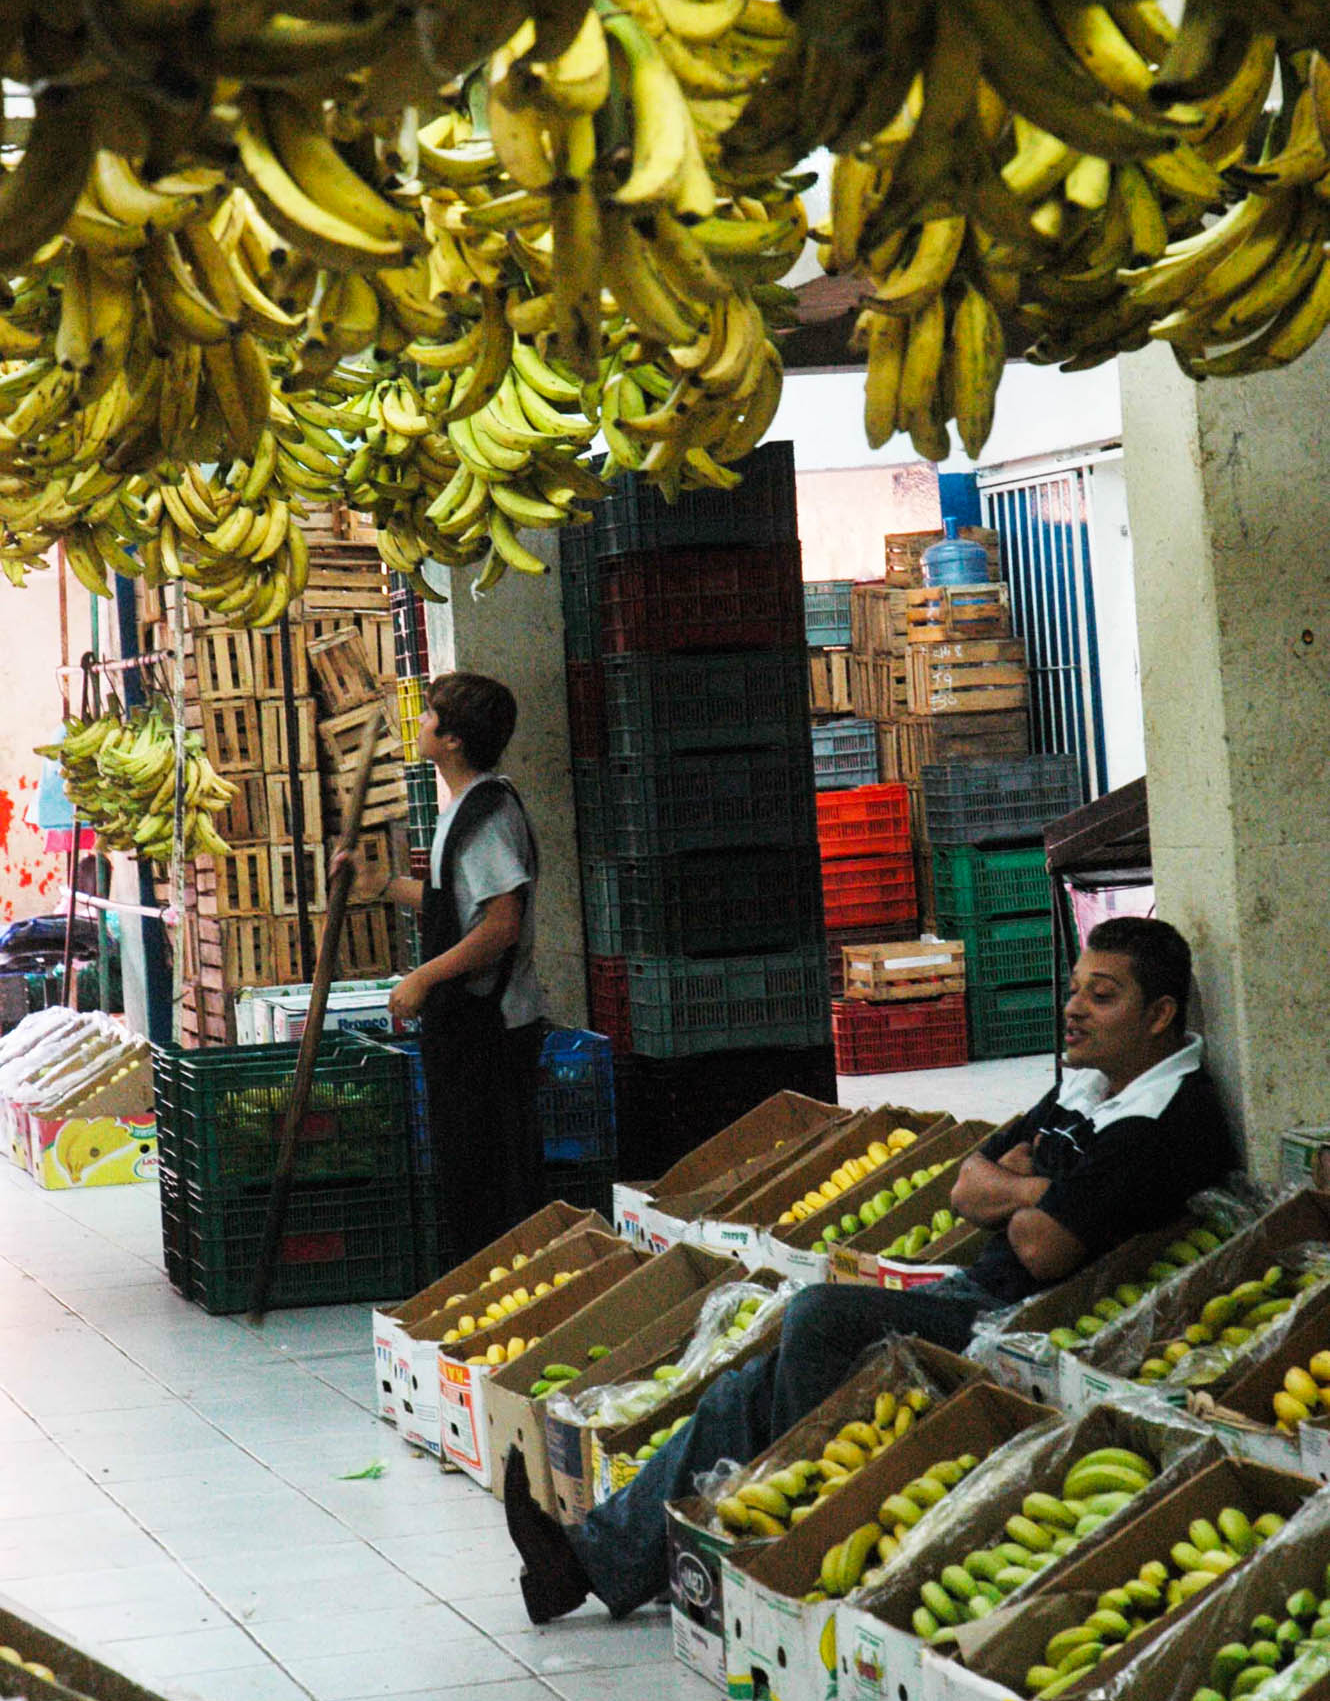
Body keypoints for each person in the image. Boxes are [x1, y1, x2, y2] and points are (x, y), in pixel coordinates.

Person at [504, 915, 1235, 1624]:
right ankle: (587, 1563)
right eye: (1074, 988)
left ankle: (799, 1532)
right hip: (984, 1292)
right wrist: (1044, 1193)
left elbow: (1043, 1248)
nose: (1073, 1009)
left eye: (1101, 996)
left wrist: (1024, 1192)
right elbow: (965, 1187)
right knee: (752, 1381)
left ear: (1160, 1014)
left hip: (1035, 1326)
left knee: (822, 1317)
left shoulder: (1167, 1118)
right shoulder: (1088, 1085)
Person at [338, 673, 547, 1260]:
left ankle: (504, 1288)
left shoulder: (485, 815)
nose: (422, 724)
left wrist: (423, 977)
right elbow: (452, 902)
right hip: (473, 1025)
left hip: (492, 1028)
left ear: (453, 741)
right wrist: (379, 884)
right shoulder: (465, 806)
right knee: (469, 1173)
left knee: (490, 1181)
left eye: (430, 717)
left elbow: (500, 925)